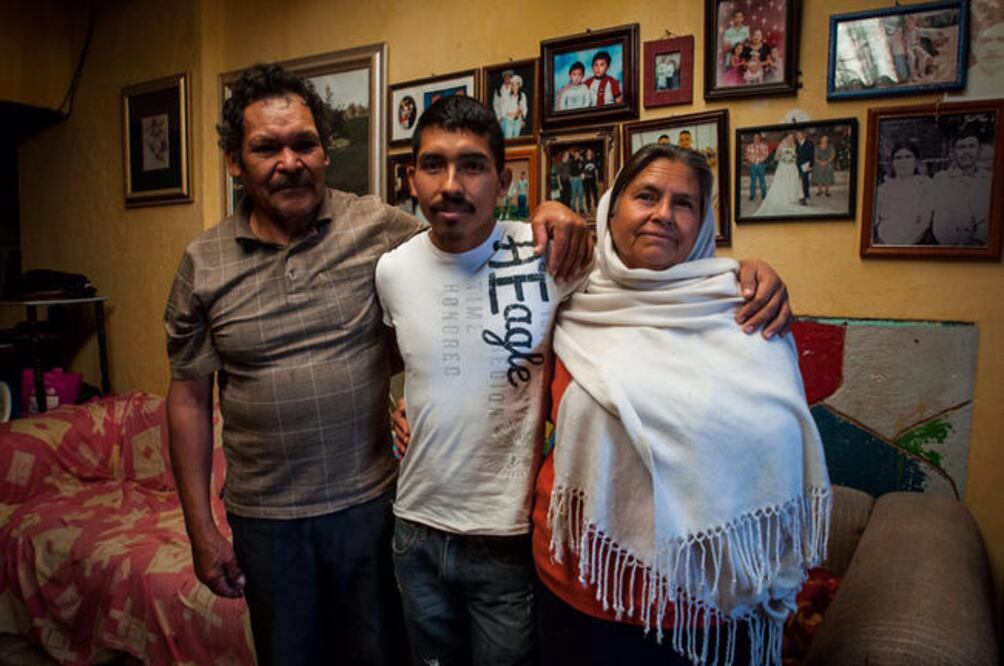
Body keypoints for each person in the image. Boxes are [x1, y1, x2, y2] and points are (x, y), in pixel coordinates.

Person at [164, 63, 592, 666]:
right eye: (266, 147)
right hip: (264, 516)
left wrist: (554, 209)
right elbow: (187, 399)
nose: (289, 161)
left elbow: (461, 255)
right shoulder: (202, 263)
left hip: (371, 506)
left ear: (325, 151)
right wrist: (200, 528)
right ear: (235, 161)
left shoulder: (377, 228)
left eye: (304, 143)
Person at [533, 144, 831, 666]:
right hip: (583, 590)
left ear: (704, 222)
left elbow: (777, 441)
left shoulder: (745, 307)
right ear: (609, 210)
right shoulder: (564, 298)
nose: (663, 214)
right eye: (646, 196)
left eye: (684, 203)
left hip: (711, 605)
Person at [931, 127, 991, 246]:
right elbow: (938, 217)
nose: (966, 152)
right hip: (945, 248)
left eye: (971, 146)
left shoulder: (989, 180)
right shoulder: (940, 179)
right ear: (954, 152)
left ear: (979, 150)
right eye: (961, 147)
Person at [874, 140, 934, 245]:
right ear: (892, 162)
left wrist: (903, 245)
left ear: (916, 161)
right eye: (898, 158)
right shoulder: (883, 189)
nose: (903, 162)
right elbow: (874, 221)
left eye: (908, 157)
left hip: (914, 244)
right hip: (883, 244)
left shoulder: (925, 186)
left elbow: (925, 223)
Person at [753, 133, 804, 218]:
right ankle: (783, 198)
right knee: (783, 183)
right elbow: (776, 157)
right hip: (783, 167)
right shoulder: (782, 145)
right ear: (786, 137)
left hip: (792, 167)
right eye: (789, 137)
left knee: (792, 182)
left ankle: (791, 198)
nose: (790, 139)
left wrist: (793, 158)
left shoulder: (795, 146)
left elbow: (796, 157)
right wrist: (783, 157)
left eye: (792, 138)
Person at [498, 73, 528, 139]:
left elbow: (524, 108)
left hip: (518, 121)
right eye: (513, 85)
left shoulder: (522, 95)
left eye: (516, 85)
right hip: (508, 120)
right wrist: (505, 116)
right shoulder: (507, 96)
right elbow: (504, 110)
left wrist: (522, 119)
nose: (514, 87)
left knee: (516, 139)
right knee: (508, 138)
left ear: (519, 86)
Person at [744, 133, 769, 201]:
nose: (756, 139)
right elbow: (747, 155)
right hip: (753, 165)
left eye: (757, 137)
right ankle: (752, 195)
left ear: (760, 138)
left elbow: (766, 154)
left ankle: (764, 195)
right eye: (755, 138)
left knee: (762, 180)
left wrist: (759, 159)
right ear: (753, 139)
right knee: (753, 181)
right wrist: (754, 160)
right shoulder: (749, 146)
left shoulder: (764, 146)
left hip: (761, 165)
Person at [795, 130, 814, 204]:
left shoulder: (809, 143)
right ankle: (799, 195)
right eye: (797, 135)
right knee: (798, 180)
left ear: (803, 135)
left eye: (799, 134)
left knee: (805, 180)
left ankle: (806, 196)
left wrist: (811, 165)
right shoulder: (796, 144)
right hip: (797, 165)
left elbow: (812, 155)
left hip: (806, 164)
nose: (798, 136)